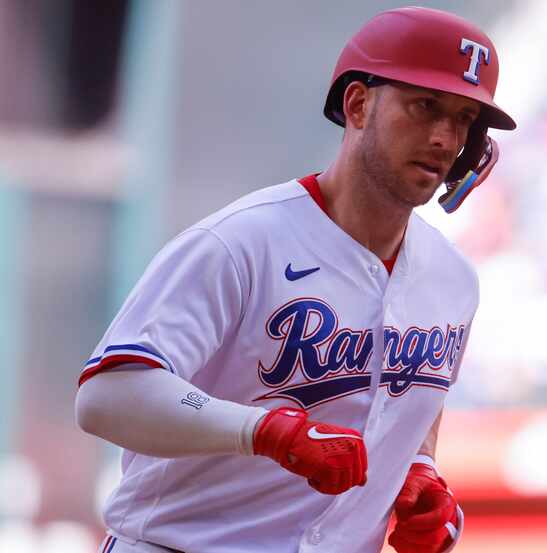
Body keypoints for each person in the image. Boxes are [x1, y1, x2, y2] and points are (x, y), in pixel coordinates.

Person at [76, 6, 515, 553]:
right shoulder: (240, 243)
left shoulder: (453, 281)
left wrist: (419, 471)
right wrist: (263, 431)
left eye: (465, 119)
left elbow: (407, 404)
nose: (446, 137)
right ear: (358, 104)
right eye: (426, 106)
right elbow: (108, 395)